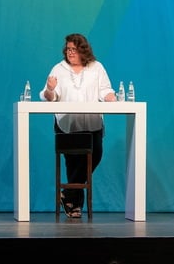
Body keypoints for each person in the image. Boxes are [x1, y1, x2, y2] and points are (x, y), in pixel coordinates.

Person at [40, 33, 117, 218]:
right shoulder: (58, 69)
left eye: (74, 49)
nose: (70, 53)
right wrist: (50, 88)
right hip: (68, 123)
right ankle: (74, 206)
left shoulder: (96, 67)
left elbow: (105, 90)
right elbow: (49, 96)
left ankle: (68, 194)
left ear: (83, 50)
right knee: (73, 163)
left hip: (92, 123)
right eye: (68, 49)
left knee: (95, 154)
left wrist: (110, 97)